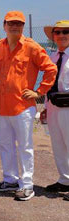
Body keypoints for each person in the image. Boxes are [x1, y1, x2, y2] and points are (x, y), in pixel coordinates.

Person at [0, 11, 57, 201]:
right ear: (4, 25)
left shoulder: (32, 47)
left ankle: (27, 185)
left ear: (23, 26)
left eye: (18, 24)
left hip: (23, 107)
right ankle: (10, 180)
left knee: (25, 147)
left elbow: (50, 69)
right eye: (11, 23)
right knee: (5, 145)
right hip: (2, 105)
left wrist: (39, 92)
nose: (14, 27)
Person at [41, 20, 69, 198]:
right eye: (57, 32)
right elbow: (48, 83)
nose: (61, 35)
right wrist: (44, 107)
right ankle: (65, 179)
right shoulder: (52, 57)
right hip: (53, 106)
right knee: (58, 145)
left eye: (66, 32)